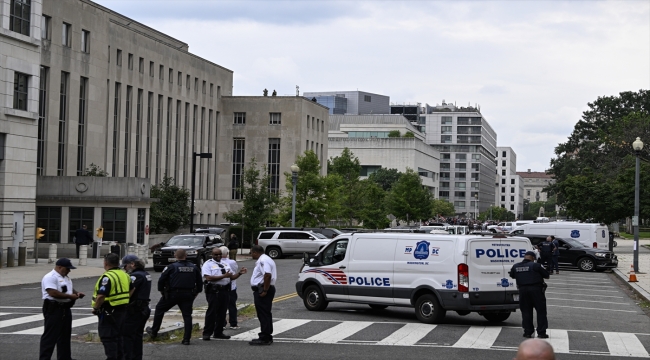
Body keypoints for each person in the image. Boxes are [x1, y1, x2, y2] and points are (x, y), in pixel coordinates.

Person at [146, 249, 202, 345]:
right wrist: (195, 293)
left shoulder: (171, 267)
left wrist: (162, 292)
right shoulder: (194, 267)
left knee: (159, 309)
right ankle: (186, 339)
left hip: (173, 294)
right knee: (187, 316)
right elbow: (199, 283)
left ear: (176, 256)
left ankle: (154, 331)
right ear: (186, 255)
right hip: (188, 294)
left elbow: (161, 280)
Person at [39, 258, 85, 360]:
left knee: (65, 336)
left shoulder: (65, 277)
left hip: (65, 308)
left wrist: (76, 293)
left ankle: (64, 358)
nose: (69, 271)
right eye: (67, 268)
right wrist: (70, 297)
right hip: (53, 308)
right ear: (59, 267)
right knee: (50, 336)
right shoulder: (50, 277)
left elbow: (68, 289)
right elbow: (53, 293)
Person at [201, 248, 246, 341]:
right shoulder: (208, 264)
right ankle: (207, 333)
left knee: (222, 312)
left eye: (220, 254)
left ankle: (218, 332)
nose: (218, 256)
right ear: (212, 255)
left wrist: (240, 273)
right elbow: (208, 278)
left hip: (225, 290)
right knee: (212, 312)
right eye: (216, 255)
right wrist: (223, 276)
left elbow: (232, 277)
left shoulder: (225, 264)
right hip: (214, 291)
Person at [92, 253, 131, 360]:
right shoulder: (124, 274)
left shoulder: (107, 277)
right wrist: (125, 298)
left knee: (108, 337)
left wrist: (95, 308)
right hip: (122, 309)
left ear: (105, 263)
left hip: (109, 310)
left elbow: (101, 296)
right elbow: (132, 288)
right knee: (118, 337)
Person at [509, 251, 550, 339]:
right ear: (532, 258)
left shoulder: (516, 266)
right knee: (541, 311)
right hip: (536, 290)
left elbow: (512, 275)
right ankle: (541, 332)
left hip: (523, 290)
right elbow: (546, 275)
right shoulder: (536, 265)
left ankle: (527, 332)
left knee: (526, 311)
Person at [121, 255, 152, 360]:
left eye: (125, 266)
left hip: (134, 310)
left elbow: (129, 293)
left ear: (132, 264)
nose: (124, 269)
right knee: (137, 336)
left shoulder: (135, 276)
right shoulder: (146, 274)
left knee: (127, 337)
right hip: (143, 309)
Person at [249, 245, 277, 346]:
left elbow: (267, 274)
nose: (251, 254)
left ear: (256, 252)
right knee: (265, 313)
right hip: (264, 288)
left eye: (251, 252)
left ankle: (265, 337)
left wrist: (265, 290)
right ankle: (267, 335)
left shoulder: (263, 261)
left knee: (263, 313)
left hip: (263, 289)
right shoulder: (265, 259)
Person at [220, 245, 242, 329]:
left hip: (222, 287)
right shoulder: (232, 262)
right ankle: (233, 323)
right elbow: (235, 271)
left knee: (221, 306)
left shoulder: (217, 262)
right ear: (227, 253)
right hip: (231, 286)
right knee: (232, 305)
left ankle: (222, 323)